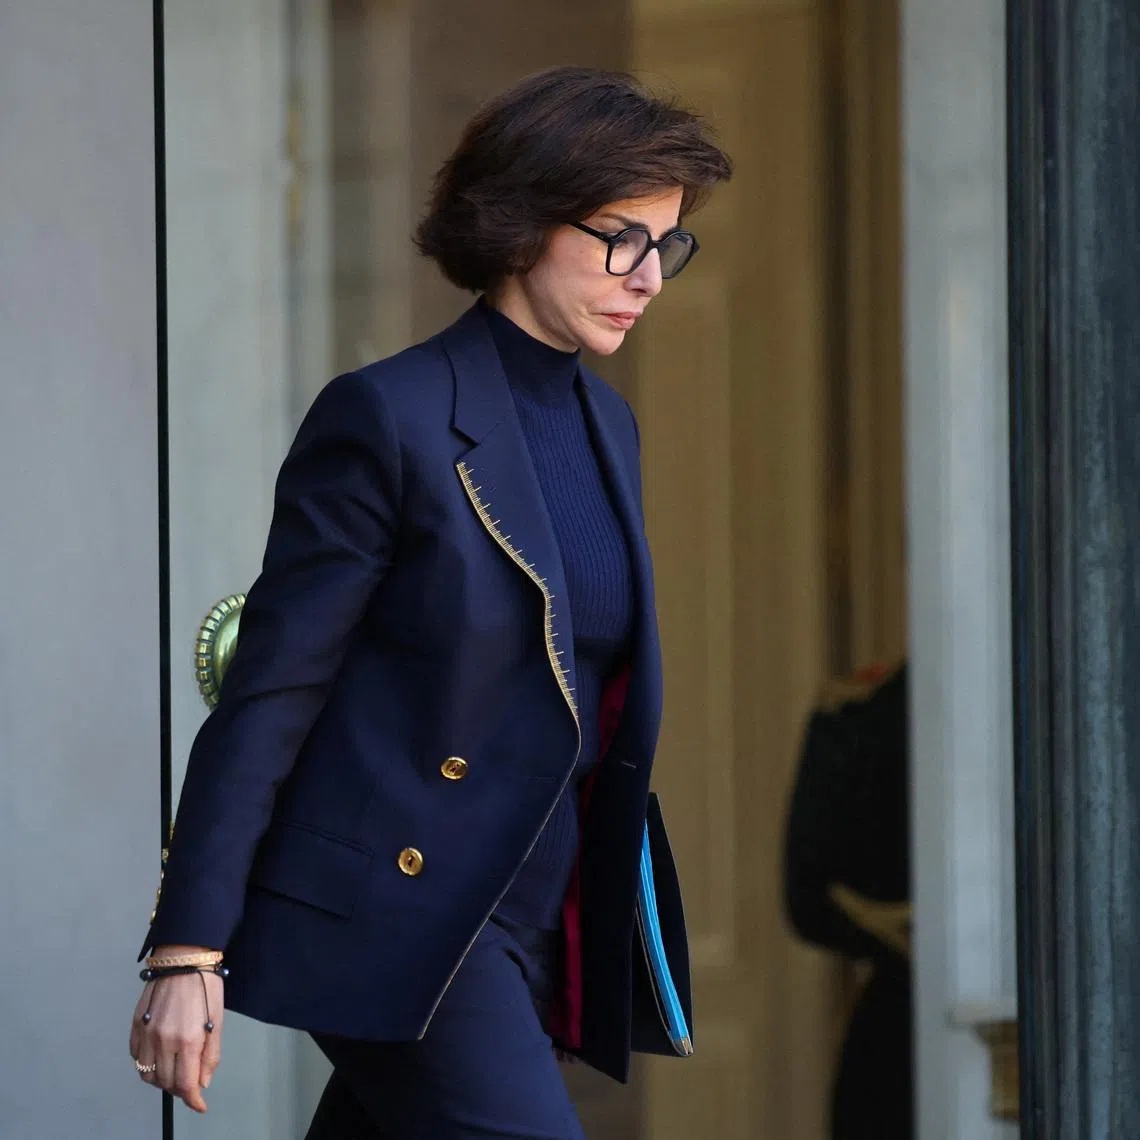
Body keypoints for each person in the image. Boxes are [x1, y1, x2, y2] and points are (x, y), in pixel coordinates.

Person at [128, 66, 732, 1139]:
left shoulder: (608, 427)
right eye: (617, 237)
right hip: (401, 910)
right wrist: (188, 948)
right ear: (518, 224)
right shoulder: (390, 418)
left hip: (540, 907)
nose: (647, 276)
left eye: (666, 244)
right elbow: (274, 692)